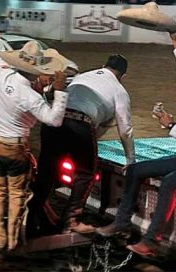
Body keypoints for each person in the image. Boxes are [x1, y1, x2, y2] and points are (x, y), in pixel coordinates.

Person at [97, 27, 176, 258]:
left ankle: (151, 241)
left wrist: (170, 126)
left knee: (168, 184)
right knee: (135, 170)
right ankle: (121, 223)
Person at [29, 54, 134, 235]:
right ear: (123, 76)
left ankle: (32, 216)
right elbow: (125, 130)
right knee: (85, 173)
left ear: (103, 65)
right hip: (79, 124)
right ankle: (70, 220)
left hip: (54, 120)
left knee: (47, 171)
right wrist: (130, 159)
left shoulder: (83, 76)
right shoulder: (119, 91)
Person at [0, 33, 69, 251]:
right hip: (15, 148)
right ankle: (12, 238)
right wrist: (60, 92)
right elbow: (54, 120)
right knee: (15, 193)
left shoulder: (1, 73)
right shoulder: (31, 97)